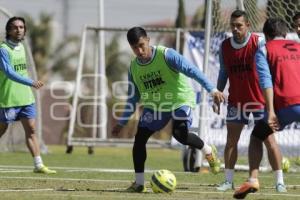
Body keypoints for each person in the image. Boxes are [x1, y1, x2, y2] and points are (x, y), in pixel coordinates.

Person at [111, 26, 224, 193]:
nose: (140, 50)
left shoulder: (166, 55)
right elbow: (133, 98)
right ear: (131, 47)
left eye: (142, 45)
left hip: (180, 100)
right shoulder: (133, 68)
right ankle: (139, 183)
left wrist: (212, 89)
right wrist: (122, 122)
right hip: (156, 105)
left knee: (180, 135)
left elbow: (192, 71)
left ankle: (207, 149)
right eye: (135, 47)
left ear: (148, 40)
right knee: (139, 139)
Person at [215, 10, 285, 193]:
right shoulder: (224, 47)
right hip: (237, 102)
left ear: (247, 26)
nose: (235, 29)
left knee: (269, 141)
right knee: (231, 141)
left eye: (239, 25)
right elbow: (223, 72)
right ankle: (228, 180)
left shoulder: (259, 43)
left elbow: (272, 71)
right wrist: (218, 93)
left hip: (260, 102)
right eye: (232, 25)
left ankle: (280, 182)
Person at [233, 18, 300, 199]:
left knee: (257, 136)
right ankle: (279, 182)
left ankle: (254, 179)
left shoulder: (264, 50)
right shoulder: (298, 46)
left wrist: (270, 110)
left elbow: (266, 82)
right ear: (285, 34)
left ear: (266, 35)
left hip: (287, 105)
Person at [0, 17, 56, 174]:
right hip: (9, 98)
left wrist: (28, 85)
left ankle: (38, 165)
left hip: (26, 97)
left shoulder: (22, 47)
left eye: (21, 27)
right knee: (1, 131)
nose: (19, 30)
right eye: (15, 27)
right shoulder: (3, 49)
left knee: (31, 129)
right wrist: (30, 82)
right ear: (8, 30)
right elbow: (9, 73)